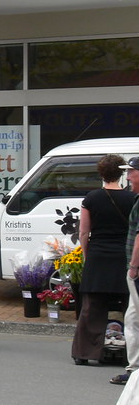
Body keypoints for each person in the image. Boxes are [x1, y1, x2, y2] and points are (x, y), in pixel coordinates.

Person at [71, 154, 135, 365]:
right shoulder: (131, 198)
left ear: (101, 173)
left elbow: (83, 232)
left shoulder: (92, 198)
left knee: (92, 308)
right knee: (130, 307)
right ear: (122, 173)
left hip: (98, 255)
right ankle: (129, 354)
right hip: (123, 257)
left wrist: (88, 254)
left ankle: (84, 353)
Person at [116, 157, 139, 385]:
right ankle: (134, 370)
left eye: (132, 172)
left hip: (138, 269)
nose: (128, 176)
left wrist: (133, 266)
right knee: (132, 318)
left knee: (135, 318)